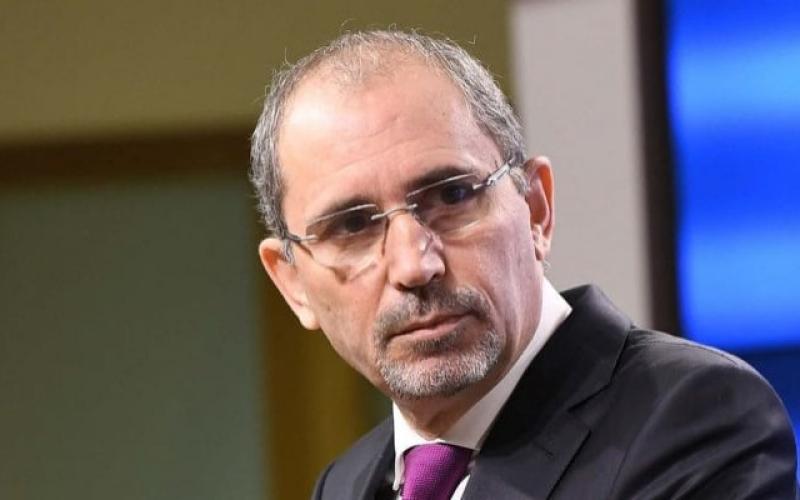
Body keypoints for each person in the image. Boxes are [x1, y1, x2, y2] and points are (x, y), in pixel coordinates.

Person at [249, 30, 799, 499]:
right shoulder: (345, 483)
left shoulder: (694, 418)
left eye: (452, 195)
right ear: (292, 282)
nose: (413, 265)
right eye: (352, 227)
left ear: (536, 209)